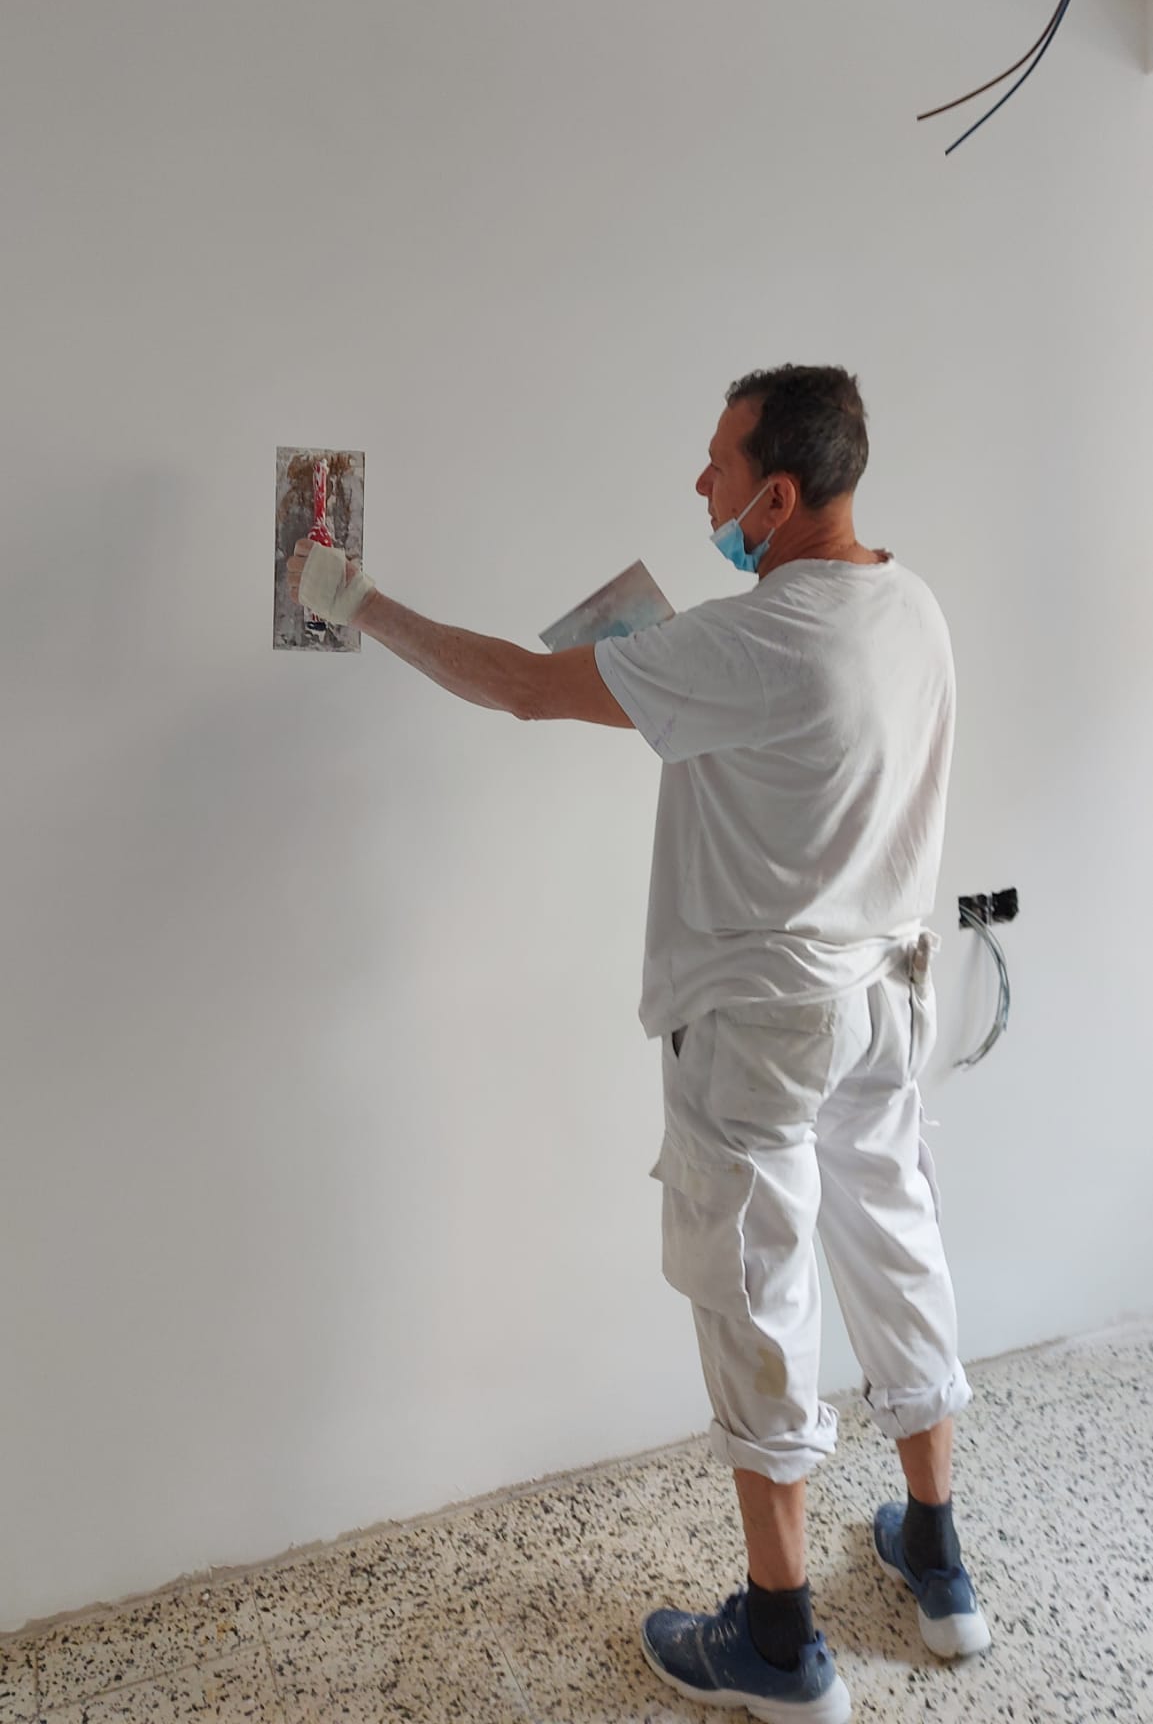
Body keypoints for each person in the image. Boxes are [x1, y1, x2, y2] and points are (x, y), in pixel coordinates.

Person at [288, 364, 989, 1724]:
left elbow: (519, 685)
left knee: (754, 1296)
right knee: (897, 1245)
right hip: (885, 999)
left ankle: (779, 1642)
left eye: (718, 463)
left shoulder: (748, 642)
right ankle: (938, 1563)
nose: (699, 483)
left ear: (776, 494)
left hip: (763, 1026)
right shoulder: (909, 606)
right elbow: (805, 756)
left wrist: (355, 602)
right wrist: (674, 674)